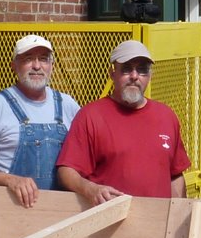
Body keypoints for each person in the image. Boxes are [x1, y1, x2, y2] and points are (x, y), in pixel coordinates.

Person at [55, 40, 190, 202]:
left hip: (157, 223)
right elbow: (66, 171)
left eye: (142, 70)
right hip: (110, 221)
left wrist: (179, 211)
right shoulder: (90, 116)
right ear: (112, 74)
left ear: (150, 76)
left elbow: (176, 176)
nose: (134, 76)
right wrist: (90, 189)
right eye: (126, 69)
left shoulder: (166, 116)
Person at [0, 34, 81, 207]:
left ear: (51, 66)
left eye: (43, 59)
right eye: (28, 59)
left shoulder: (68, 104)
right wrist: (10, 180)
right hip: (13, 211)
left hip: (62, 210)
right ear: (14, 66)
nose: (36, 66)